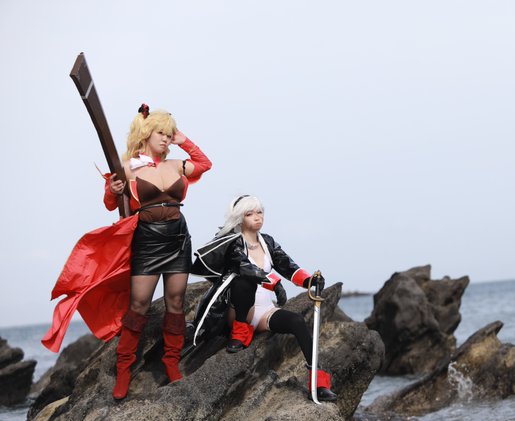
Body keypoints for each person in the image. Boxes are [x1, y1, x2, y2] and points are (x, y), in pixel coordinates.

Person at [42, 104, 212, 401]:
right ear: (146, 133)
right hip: (147, 240)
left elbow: (205, 163)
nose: (166, 138)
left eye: (169, 133)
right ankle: (124, 369)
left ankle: (171, 363)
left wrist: (182, 139)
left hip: (178, 239)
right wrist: (112, 189)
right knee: (139, 304)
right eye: (161, 133)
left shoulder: (176, 165)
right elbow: (111, 202)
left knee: (175, 302)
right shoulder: (129, 167)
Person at [190, 195, 337, 402]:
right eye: (250, 214)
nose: (257, 217)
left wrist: (309, 280)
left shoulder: (267, 241)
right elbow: (245, 268)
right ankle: (240, 331)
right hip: (237, 311)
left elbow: (287, 265)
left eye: (260, 212)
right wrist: (274, 283)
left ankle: (318, 383)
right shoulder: (232, 242)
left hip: (265, 311)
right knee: (244, 282)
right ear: (239, 218)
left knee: (297, 321)